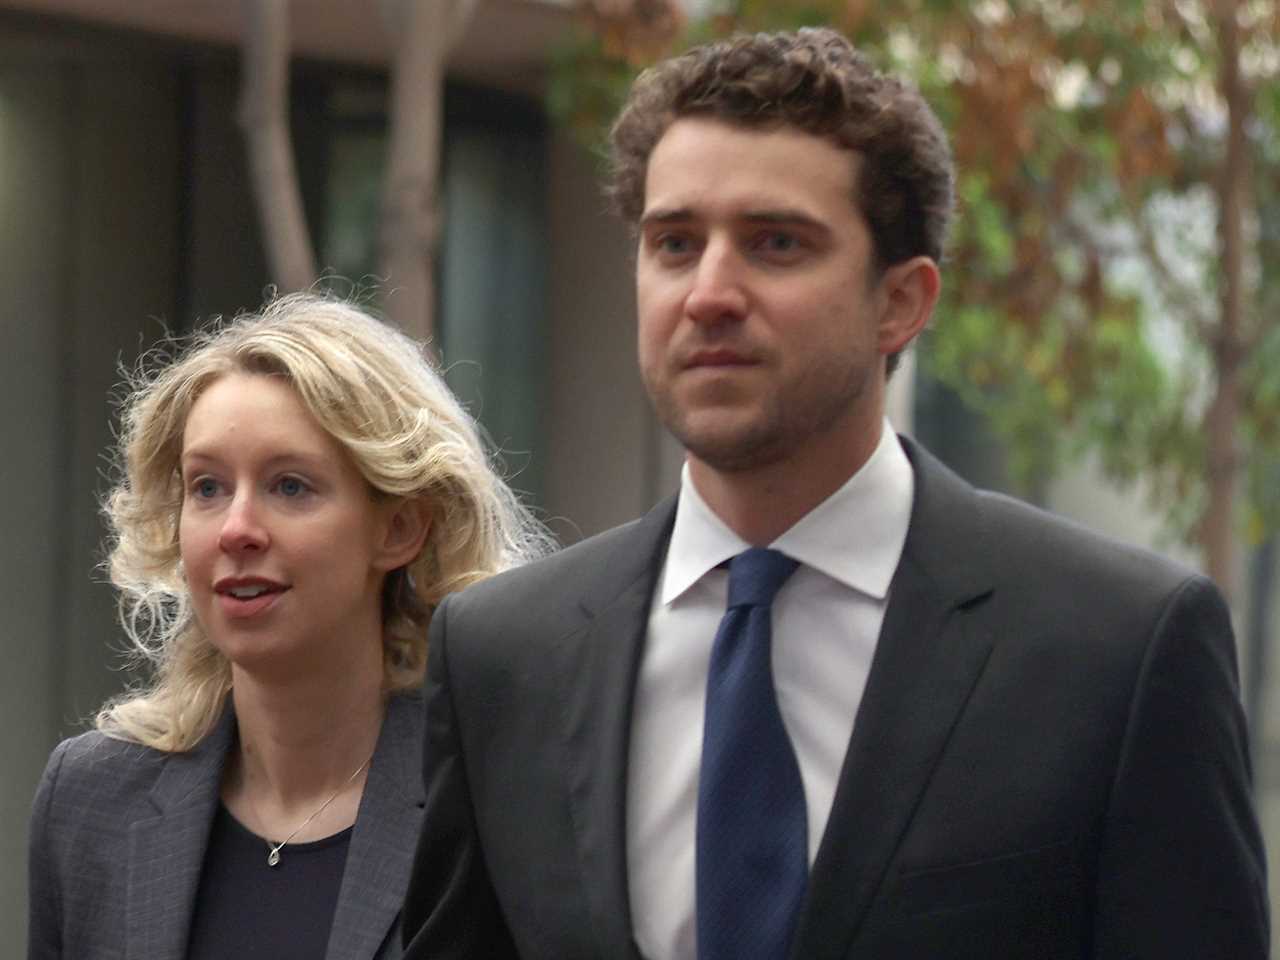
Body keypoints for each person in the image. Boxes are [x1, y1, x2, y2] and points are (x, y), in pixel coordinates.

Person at [400, 26, 1269, 960]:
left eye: (776, 243)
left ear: (902, 301)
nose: (709, 293)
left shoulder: (1119, 647)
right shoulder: (502, 654)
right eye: (675, 242)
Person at [27, 292, 548, 960]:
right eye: (207, 487)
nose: (237, 529)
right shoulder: (92, 801)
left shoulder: (494, 807)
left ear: (399, 528)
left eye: (290, 486)